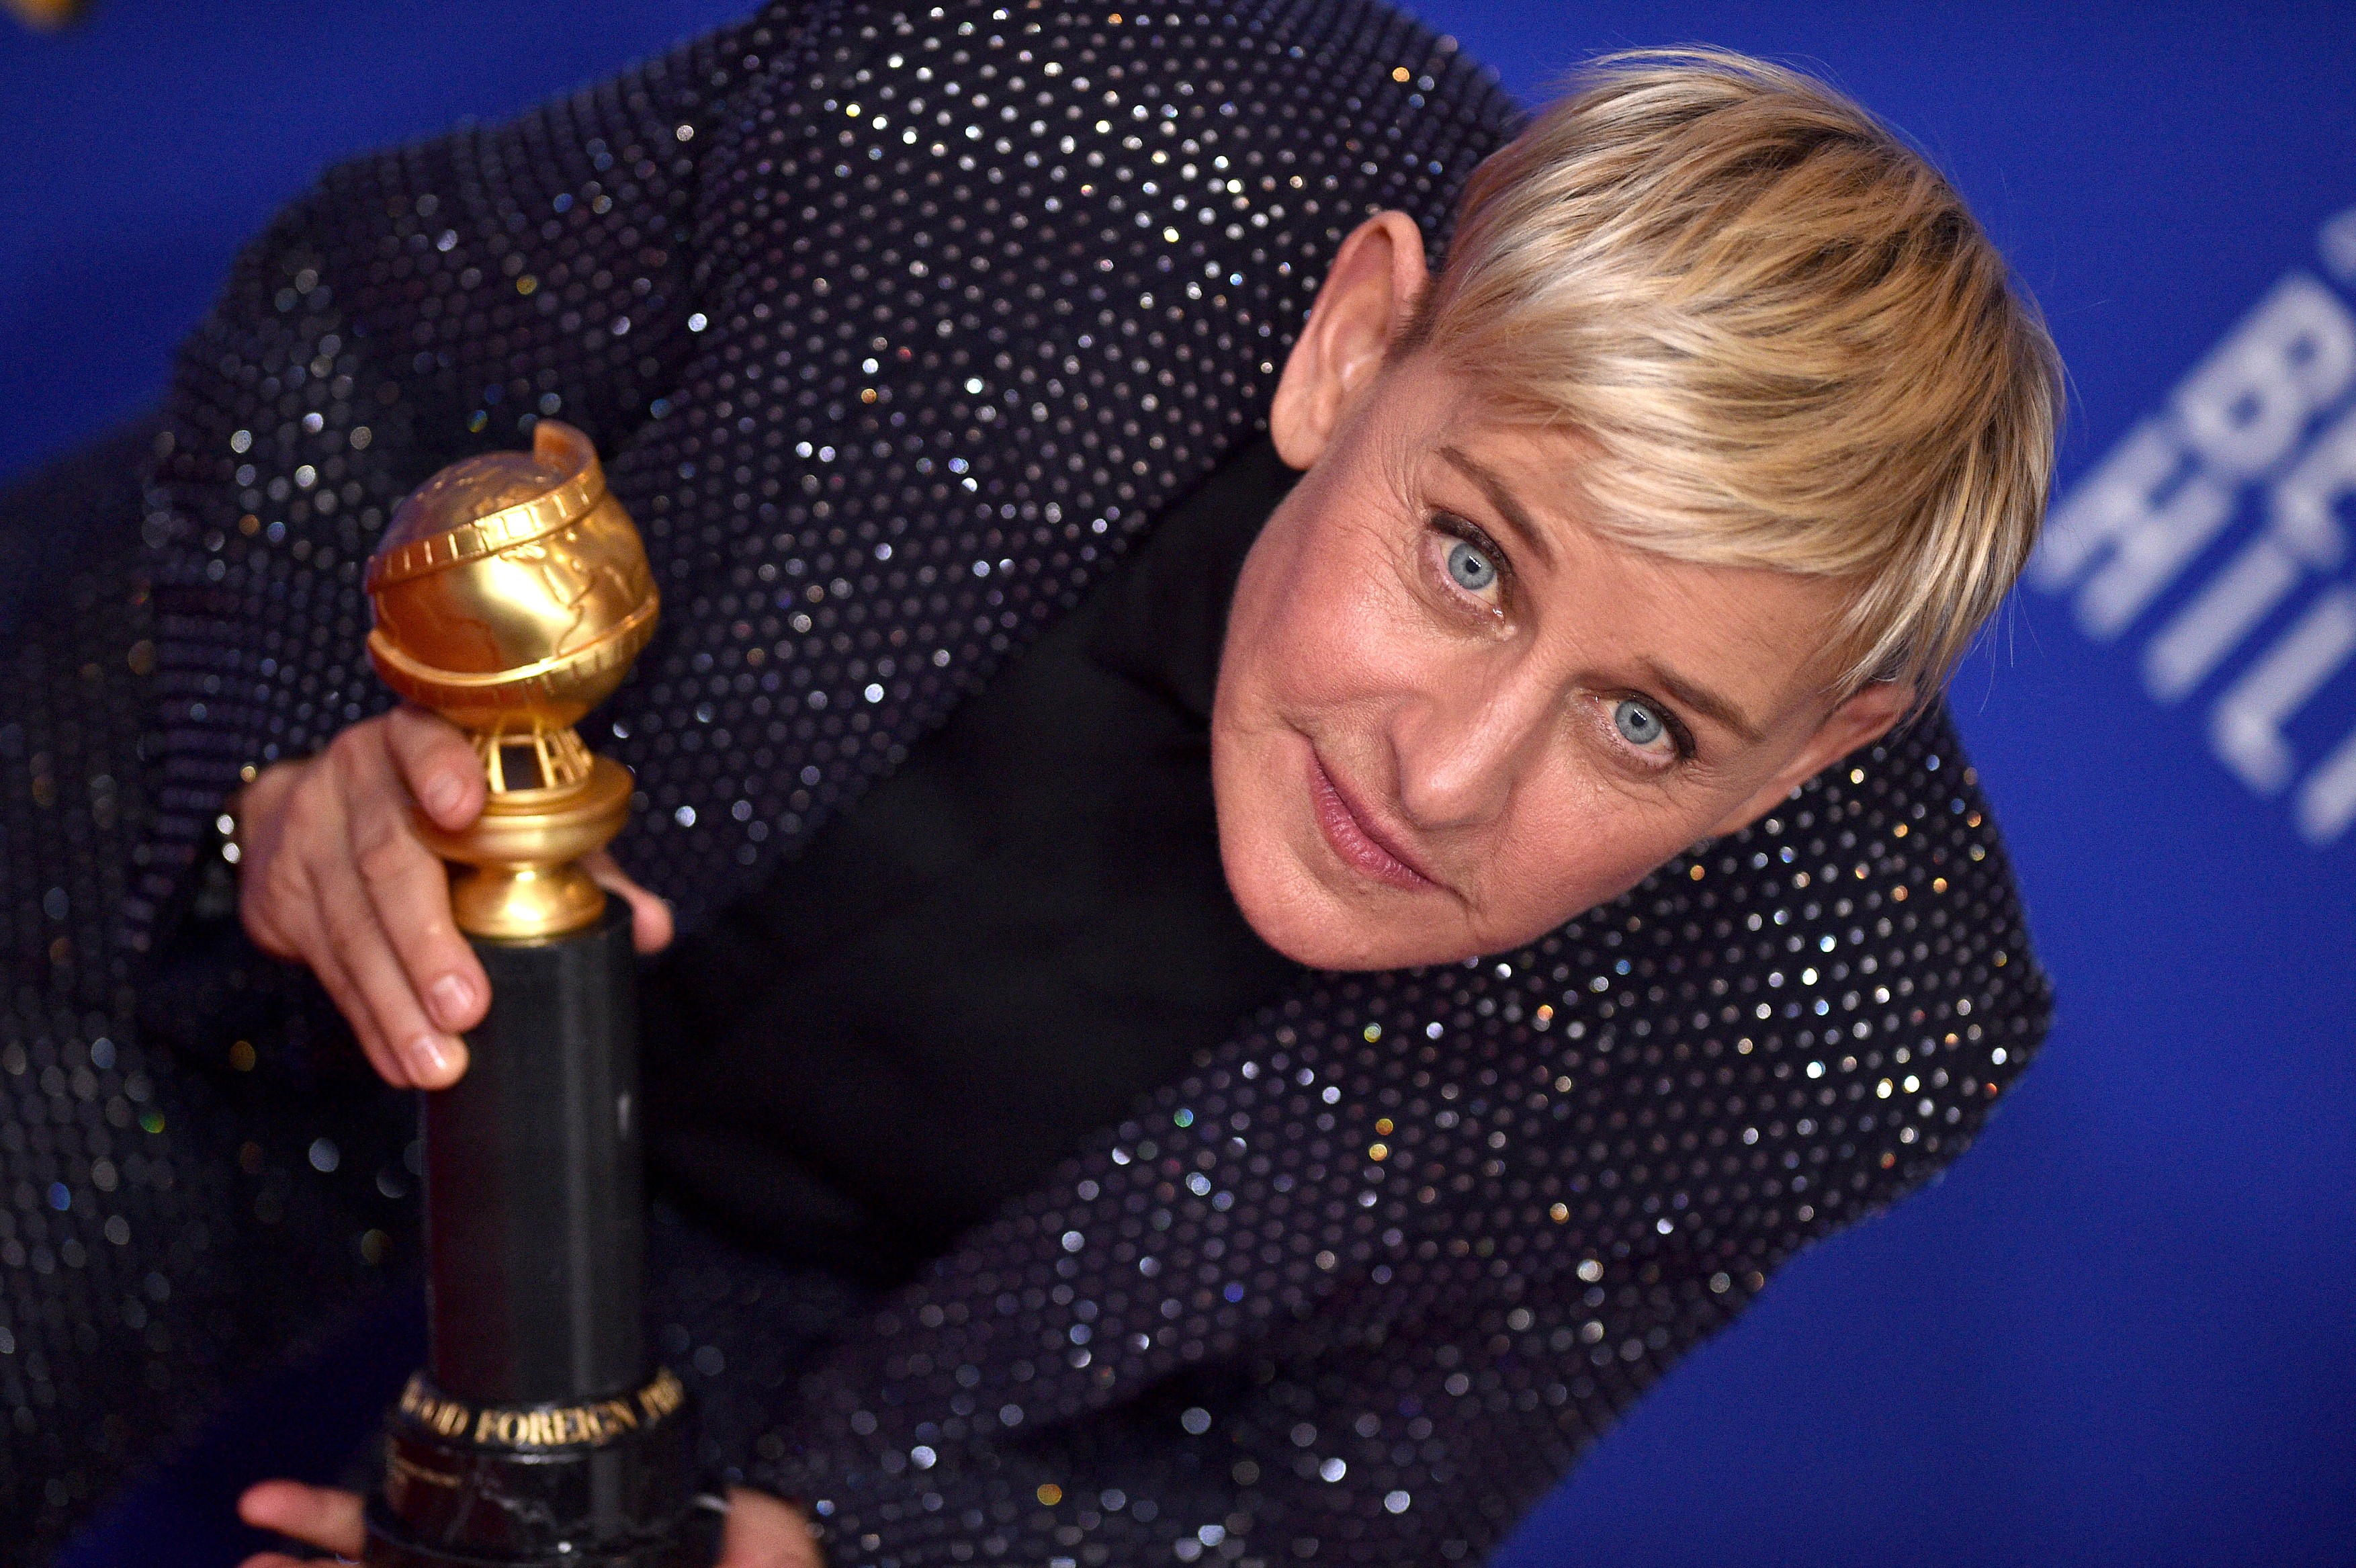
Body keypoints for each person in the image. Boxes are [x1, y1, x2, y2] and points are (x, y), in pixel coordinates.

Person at [0, 3, 2056, 1563]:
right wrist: (285, 767)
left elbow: (1287, 1502)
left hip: (784, 1353)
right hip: (200, 959)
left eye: (1645, 727)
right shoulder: (1056, 117)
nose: (1442, 777)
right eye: (1465, 560)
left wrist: (809, 1549)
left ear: (1813, 755)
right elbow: (354, 336)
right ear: (1352, 343)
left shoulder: (1838, 1029)